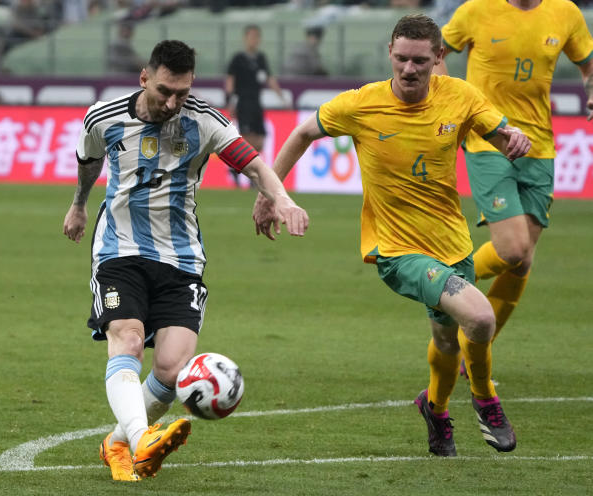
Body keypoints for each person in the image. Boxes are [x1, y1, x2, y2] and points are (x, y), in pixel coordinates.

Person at [253, 14, 530, 457]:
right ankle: (486, 399)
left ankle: (435, 409)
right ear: (389, 54)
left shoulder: (459, 96)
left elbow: (500, 135)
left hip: (452, 244)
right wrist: (272, 194)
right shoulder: (362, 104)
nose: (408, 69)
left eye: (420, 60)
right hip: (397, 251)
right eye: (401, 58)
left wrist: (513, 139)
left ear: (439, 58)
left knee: (445, 342)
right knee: (479, 318)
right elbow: (303, 132)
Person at [63, 39, 309, 481]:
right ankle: (142, 441)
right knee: (129, 341)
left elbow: (253, 165)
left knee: (173, 369)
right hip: (120, 250)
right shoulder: (104, 117)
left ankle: (118, 443)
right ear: (144, 78)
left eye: (182, 92)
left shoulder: (204, 120)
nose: (173, 102)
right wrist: (79, 204)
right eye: (164, 91)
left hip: (180, 258)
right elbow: (89, 161)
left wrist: (283, 199)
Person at [435, 0, 593, 376]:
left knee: (522, 261)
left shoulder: (566, 13)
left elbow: (588, 63)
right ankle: (445, 282)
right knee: (512, 248)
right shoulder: (475, 10)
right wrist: (450, 98)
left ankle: (474, 349)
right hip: (489, 139)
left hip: (539, 147)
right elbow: (437, 51)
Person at [225, 24, 289, 186]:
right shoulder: (238, 59)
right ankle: (249, 173)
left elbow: (269, 79)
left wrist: (282, 97)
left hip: (256, 103)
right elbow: (230, 82)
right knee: (246, 139)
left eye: (256, 36)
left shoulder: (261, 58)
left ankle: (238, 167)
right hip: (243, 102)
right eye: (251, 36)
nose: (254, 40)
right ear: (245, 38)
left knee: (260, 140)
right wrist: (231, 101)